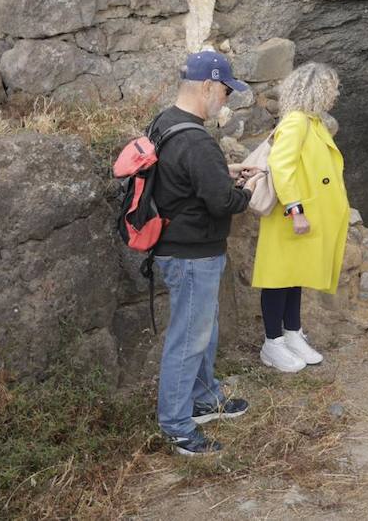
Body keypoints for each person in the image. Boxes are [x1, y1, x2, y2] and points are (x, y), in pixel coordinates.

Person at [148, 50, 255, 456]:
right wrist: (246, 191)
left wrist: (220, 173)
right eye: (226, 91)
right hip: (192, 254)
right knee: (189, 340)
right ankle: (177, 425)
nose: (226, 99)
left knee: (202, 329)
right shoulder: (196, 140)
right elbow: (222, 204)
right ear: (208, 86)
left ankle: (205, 397)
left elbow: (178, 177)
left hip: (177, 245)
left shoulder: (165, 122)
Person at [252, 62, 350, 373]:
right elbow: (281, 166)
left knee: (295, 277)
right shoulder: (296, 122)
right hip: (291, 217)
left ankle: (292, 334)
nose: (335, 95)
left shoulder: (313, 123)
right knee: (278, 279)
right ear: (319, 90)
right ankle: (272, 343)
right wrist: (296, 209)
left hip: (302, 218)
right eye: (332, 88)